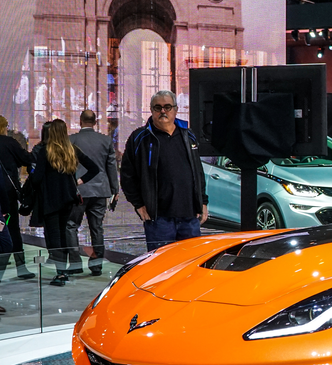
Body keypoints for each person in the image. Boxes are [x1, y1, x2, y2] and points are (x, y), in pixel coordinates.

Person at [121, 90, 209, 251]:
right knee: (162, 263)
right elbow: (127, 175)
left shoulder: (188, 135)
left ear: (175, 109)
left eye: (167, 107)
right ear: (151, 110)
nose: (163, 111)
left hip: (189, 216)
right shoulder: (139, 138)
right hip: (158, 219)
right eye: (158, 107)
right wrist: (139, 204)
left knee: (191, 262)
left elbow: (198, 171)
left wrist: (202, 202)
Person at [30, 119, 99, 286]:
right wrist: (78, 181)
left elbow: (36, 178)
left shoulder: (46, 151)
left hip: (50, 199)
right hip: (68, 199)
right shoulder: (71, 150)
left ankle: (61, 273)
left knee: (54, 237)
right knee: (63, 234)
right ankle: (63, 270)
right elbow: (94, 168)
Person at [66, 110, 118, 276]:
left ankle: (75, 263)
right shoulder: (105, 140)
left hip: (78, 190)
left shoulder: (71, 140)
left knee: (71, 226)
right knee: (97, 228)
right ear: (95, 123)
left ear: (80, 121)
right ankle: (96, 266)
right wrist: (115, 189)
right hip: (100, 190)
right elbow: (111, 166)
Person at [0, 116, 36, 280]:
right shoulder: (9, 143)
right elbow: (27, 159)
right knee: (12, 228)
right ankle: (20, 268)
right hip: (7, 193)